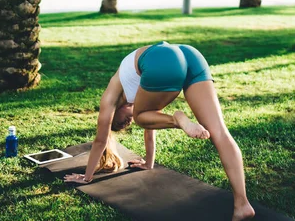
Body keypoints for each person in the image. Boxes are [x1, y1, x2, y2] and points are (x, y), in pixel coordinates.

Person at [64, 42, 255, 221]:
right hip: (189, 55)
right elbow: (151, 125)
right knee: (219, 133)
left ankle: (177, 118)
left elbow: (100, 141)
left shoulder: (109, 99)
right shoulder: (140, 95)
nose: (128, 122)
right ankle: (242, 204)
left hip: (163, 59)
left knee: (142, 117)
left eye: (123, 122)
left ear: (113, 116)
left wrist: (86, 177)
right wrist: (148, 163)